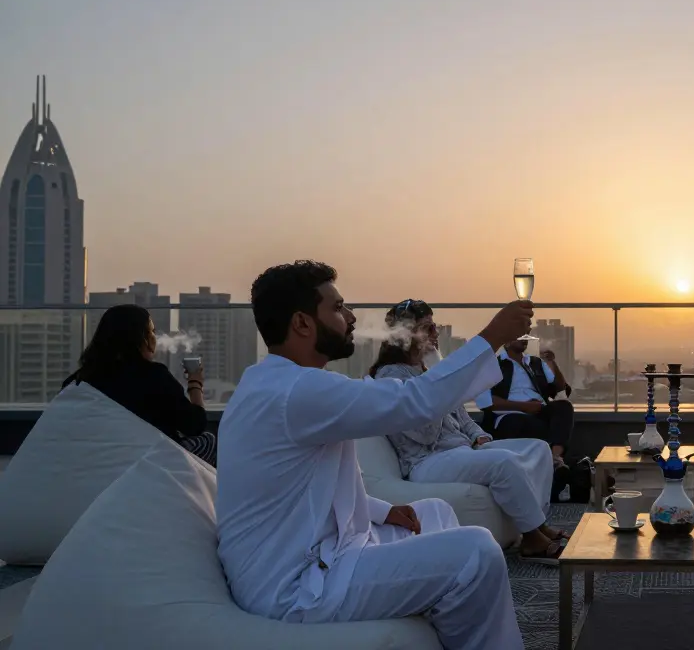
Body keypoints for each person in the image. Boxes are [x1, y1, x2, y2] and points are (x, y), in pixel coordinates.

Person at [215, 261, 532, 650]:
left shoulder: (282, 384)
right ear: (302, 323)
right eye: (337, 307)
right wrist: (493, 335)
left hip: (321, 552)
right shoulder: (295, 392)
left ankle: (447, 618)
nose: (349, 317)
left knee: (434, 511)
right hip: (297, 586)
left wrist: (382, 510)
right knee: (477, 553)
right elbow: (416, 402)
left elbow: (306, 488)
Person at [371, 299, 566, 563]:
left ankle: (538, 523)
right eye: (427, 328)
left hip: (461, 449)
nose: (435, 334)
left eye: (434, 326)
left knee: (538, 449)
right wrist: (437, 385)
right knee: (504, 463)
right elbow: (424, 435)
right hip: (427, 461)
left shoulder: (427, 370)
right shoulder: (391, 376)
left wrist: (478, 435)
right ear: (406, 334)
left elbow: (462, 416)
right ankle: (532, 537)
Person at [61, 304, 216, 465]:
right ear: (141, 338)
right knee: (208, 441)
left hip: (98, 461)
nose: (155, 338)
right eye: (152, 332)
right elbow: (194, 425)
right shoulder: (154, 376)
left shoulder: (77, 381)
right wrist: (195, 383)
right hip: (149, 462)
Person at [474, 338, 574, 469]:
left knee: (564, 406)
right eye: (518, 335)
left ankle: (555, 457)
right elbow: (486, 402)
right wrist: (525, 407)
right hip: (510, 414)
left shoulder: (536, 363)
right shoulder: (494, 365)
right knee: (517, 421)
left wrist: (551, 363)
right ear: (507, 341)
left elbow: (560, 390)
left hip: (539, 409)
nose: (524, 338)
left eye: (525, 335)